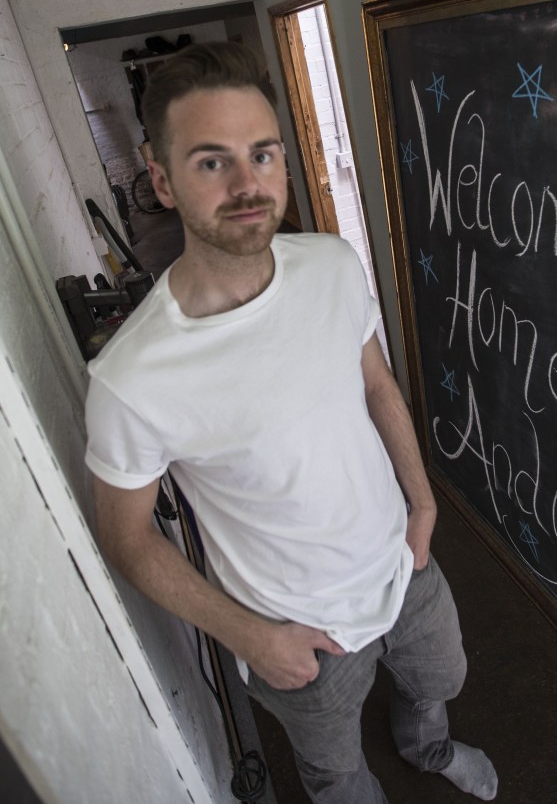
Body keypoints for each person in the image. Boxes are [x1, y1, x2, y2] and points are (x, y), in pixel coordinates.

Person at [85, 41, 498, 804]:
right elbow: (126, 536)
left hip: (397, 561)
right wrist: (248, 637)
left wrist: (425, 503)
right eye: (211, 162)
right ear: (160, 179)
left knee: (443, 676)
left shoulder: (332, 264)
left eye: (263, 154)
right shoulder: (132, 378)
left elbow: (376, 381)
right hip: (287, 621)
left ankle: (428, 745)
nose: (248, 184)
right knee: (336, 773)